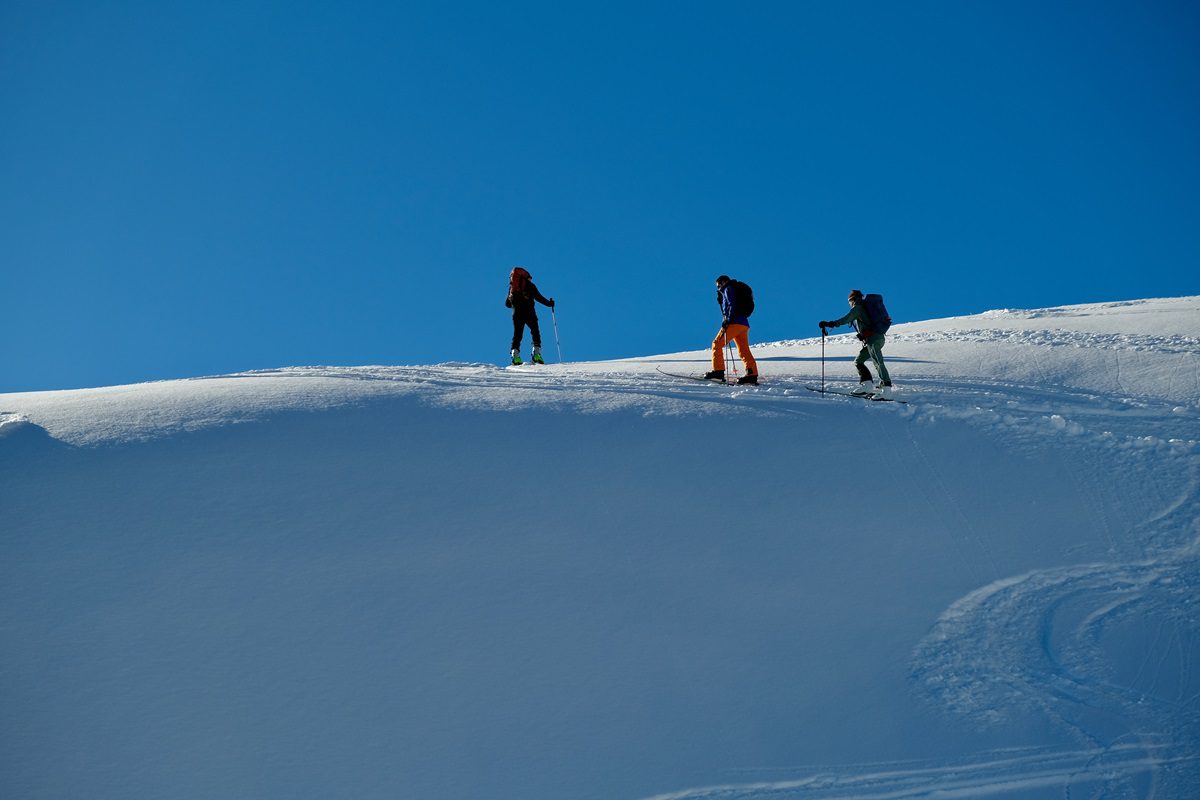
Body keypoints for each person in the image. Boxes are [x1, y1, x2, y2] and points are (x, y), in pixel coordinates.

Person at [820, 289, 892, 393]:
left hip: (874, 338)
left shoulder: (858, 308)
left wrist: (831, 323)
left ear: (852, 300)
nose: (849, 304)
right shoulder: (863, 308)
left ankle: (886, 389)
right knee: (859, 361)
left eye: (849, 302)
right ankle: (867, 385)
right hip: (875, 339)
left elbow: (846, 319)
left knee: (878, 361)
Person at [705, 275, 758, 385]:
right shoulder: (734, 288)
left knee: (716, 344)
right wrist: (721, 299)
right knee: (744, 350)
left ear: (723, 282)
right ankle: (751, 374)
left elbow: (731, 304)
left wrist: (727, 320)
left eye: (719, 285)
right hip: (743, 324)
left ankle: (718, 372)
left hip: (733, 322)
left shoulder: (728, 289)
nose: (718, 288)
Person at [505, 267, 554, 365]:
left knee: (517, 334)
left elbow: (507, 304)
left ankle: (515, 356)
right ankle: (536, 354)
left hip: (516, 313)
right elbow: (539, 297)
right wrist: (550, 304)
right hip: (529, 312)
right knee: (535, 331)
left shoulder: (512, 289)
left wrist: (515, 301)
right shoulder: (530, 286)